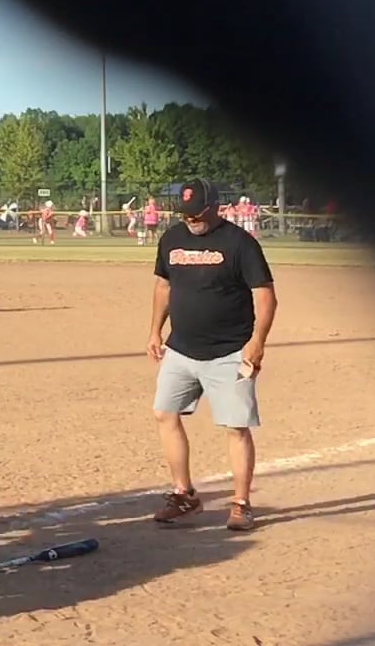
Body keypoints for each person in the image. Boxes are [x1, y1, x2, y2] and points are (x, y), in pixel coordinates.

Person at [146, 180, 278, 532]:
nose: (191, 220)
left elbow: (265, 295)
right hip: (181, 348)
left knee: (235, 427)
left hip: (229, 351)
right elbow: (163, 285)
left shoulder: (240, 243)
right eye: (186, 214)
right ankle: (184, 495)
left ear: (216, 206)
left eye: (197, 213)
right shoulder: (171, 238)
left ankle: (241, 504)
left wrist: (257, 342)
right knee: (164, 413)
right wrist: (155, 330)